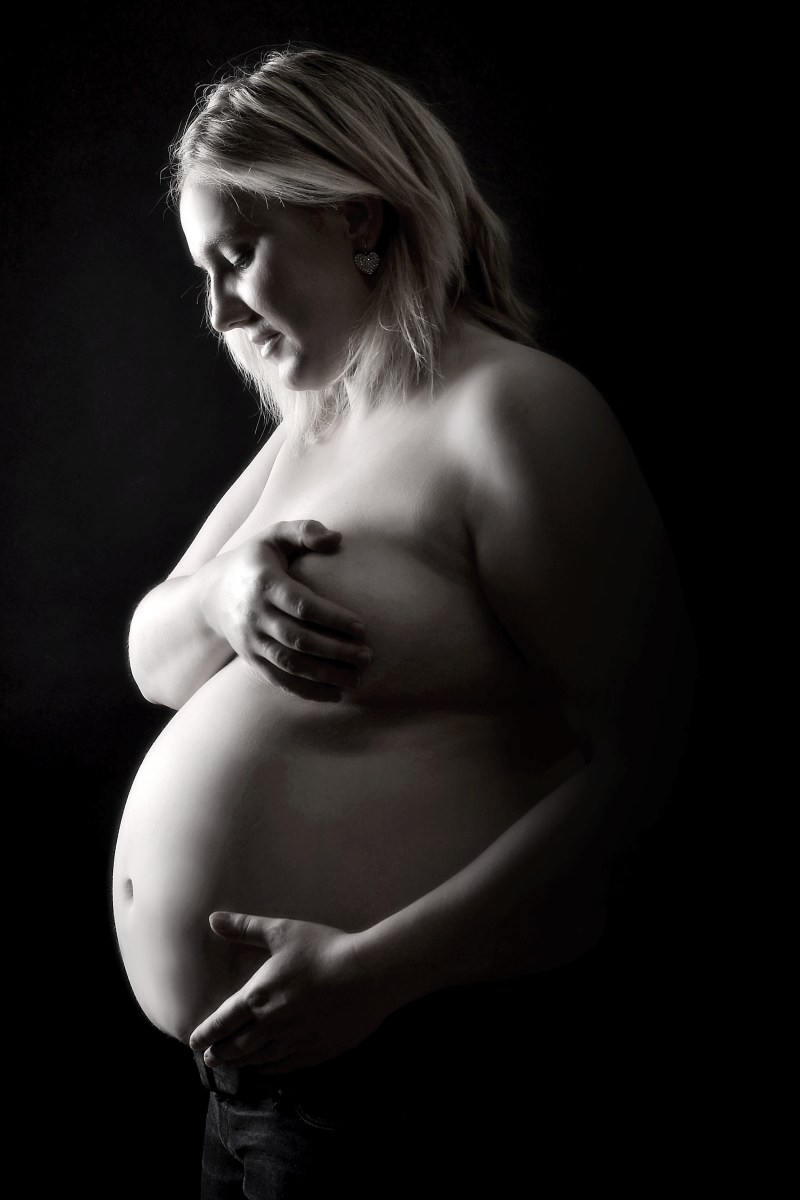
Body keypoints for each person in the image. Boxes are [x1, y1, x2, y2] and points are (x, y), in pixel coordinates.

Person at [112, 46, 697, 1197]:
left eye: (238, 257)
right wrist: (224, 595)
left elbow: (659, 758)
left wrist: (376, 973)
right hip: (251, 1090)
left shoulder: (511, 412)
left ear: (357, 218)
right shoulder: (321, 424)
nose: (219, 311)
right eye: (202, 272)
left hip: (397, 1072)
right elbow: (151, 659)